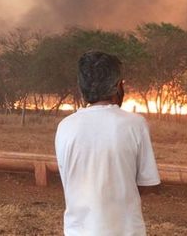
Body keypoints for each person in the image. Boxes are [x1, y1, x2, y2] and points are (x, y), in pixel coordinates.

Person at [55, 51, 160, 236]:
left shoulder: (65, 126)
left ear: (81, 87)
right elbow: (147, 183)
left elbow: (70, 179)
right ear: (119, 86)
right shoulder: (135, 124)